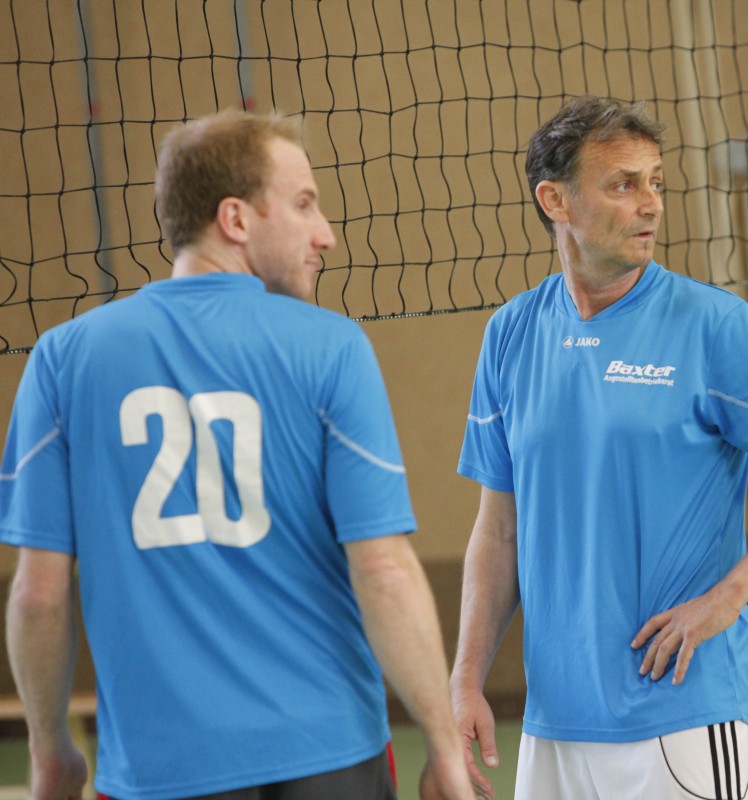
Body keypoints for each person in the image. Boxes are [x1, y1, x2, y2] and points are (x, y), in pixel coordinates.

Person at [0, 110, 474, 800]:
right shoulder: (332, 346)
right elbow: (385, 571)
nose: (325, 233)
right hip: (330, 752)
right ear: (236, 219)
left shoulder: (62, 359)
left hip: (160, 770)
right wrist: (443, 749)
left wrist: (51, 753)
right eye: (304, 204)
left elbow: (39, 595)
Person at [451, 95, 748, 800]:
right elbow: (499, 531)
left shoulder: (714, 326)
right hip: (553, 725)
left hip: (682, 717)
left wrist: (728, 597)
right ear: (555, 201)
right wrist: (465, 678)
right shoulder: (511, 333)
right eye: (623, 184)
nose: (650, 203)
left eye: (656, 182)